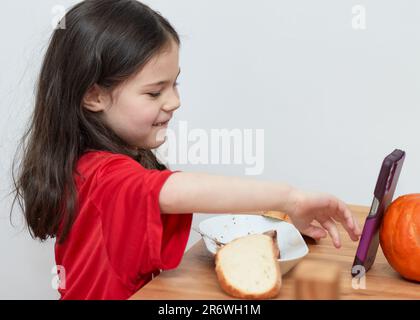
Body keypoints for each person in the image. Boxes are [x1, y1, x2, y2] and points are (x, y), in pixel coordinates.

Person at [12, 0, 361, 300]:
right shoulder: (103, 178)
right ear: (93, 95)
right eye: (154, 92)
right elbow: (178, 191)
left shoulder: (101, 165)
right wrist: (289, 198)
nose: (175, 101)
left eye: (174, 83)